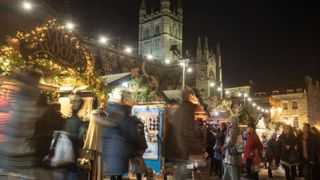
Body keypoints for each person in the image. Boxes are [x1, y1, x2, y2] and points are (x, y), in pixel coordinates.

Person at [165, 89, 204, 179]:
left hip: (177, 151)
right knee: (182, 173)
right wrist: (195, 149)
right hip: (183, 152)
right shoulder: (187, 109)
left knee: (182, 173)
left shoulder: (179, 110)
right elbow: (187, 132)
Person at [101, 99, 140, 180]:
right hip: (121, 154)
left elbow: (104, 138)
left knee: (113, 175)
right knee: (119, 174)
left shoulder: (110, 118)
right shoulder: (127, 119)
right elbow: (132, 136)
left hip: (110, 155)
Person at [65, 93, 85, 179]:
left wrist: (67, 134)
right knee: (72, 170)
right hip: (71, 149)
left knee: (71, 170)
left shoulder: (75, 120)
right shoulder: (75, 119)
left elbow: (78, 138)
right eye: (73, 101)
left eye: (76, 102)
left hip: (70, 149)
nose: (73, 103)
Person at [222, 116, 243, 180]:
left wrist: (224, 146)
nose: (229, 122)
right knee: (230, 167)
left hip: (231, 153)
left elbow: (232, 141)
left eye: (230, 120)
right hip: (235, 152)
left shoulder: (233, 129)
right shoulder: (237, 128)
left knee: (232, 167)